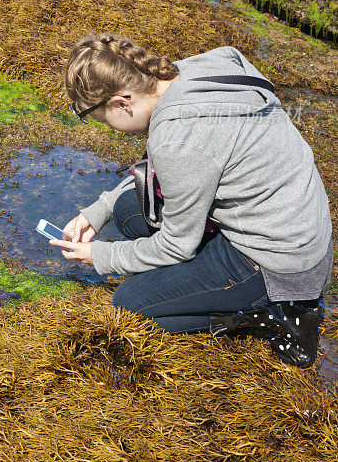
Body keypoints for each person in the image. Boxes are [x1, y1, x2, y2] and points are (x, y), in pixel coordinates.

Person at [50, 33, 333, 368]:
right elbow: (160, 170)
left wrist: (101, 255)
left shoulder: (178, 137)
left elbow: (176, 246)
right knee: (127, 210)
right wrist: (99, 210)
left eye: (103, 120)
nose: (110, 129)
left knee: (131, 303)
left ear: (122, 103)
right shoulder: (201, 67)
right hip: (296, 222)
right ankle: (223, 282)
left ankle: (273, 314)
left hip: (277, 261)